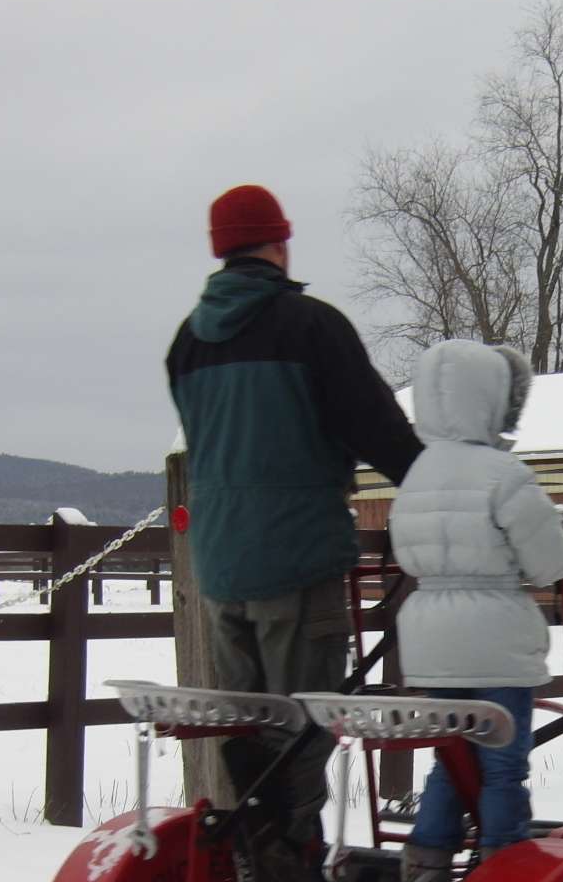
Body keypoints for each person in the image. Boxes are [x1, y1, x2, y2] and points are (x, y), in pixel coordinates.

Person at [166, 184, 421, 848]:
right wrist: (439, 488)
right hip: (298, 557)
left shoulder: (187, 344)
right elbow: (377, 428)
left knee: (246, 723)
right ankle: (297, 874)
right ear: (279, 241)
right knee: (304, 726)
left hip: (220, 565)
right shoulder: (310, 326)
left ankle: (252, 862)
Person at [387, 339, 563, 882]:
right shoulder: (504, 473)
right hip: (494, 637)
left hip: (426, 637)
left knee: (450, 765)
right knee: (502, 769)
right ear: (494, 398)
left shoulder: (416, 473)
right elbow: (550, 561)